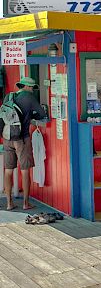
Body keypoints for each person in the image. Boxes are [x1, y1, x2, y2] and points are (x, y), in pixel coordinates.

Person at [3, 77, 46, 210]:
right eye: (32, 87)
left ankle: (9, 203)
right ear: (27, 87)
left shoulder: (9, 96)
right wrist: (31, 115)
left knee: (8, 171)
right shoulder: (29, 97)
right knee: (25, 170)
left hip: (7, 137)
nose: (32, 90)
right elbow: (42, 113)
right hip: (22, 138)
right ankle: (26, 203)